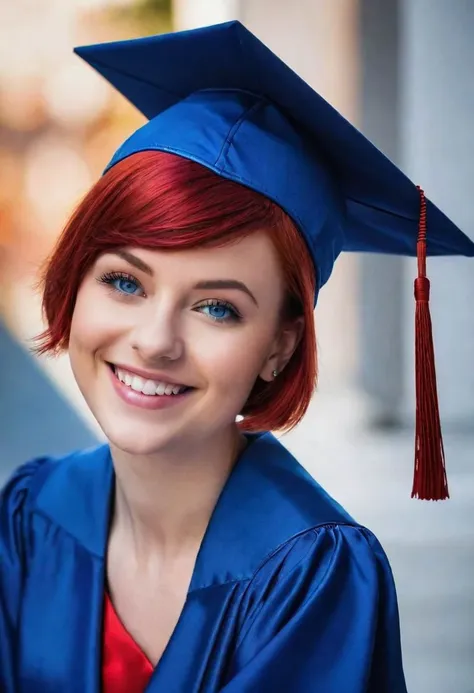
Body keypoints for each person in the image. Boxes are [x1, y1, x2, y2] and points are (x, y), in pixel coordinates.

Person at [1, 21, 473, 693]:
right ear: (75, 281)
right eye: (125, 281)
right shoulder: (32, 512)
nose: (156, 338)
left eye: (217, 306)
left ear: (279, 346)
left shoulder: (314, 574)